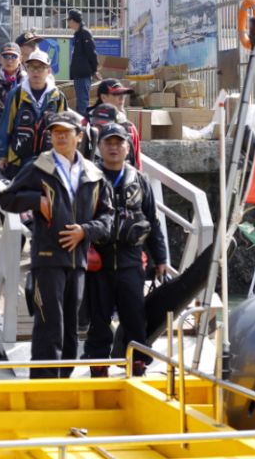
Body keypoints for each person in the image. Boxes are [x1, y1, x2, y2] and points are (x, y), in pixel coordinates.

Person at [0, 111, 114, 379]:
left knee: (72, 326)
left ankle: (65, 379)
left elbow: (108, 218)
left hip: (78, 260)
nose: (60, 136)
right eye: (55, 132)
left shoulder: (94, 173)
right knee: (50, 323)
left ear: (79, 136)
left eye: (66, 132)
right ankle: (45, 381)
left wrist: (85, 231)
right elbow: (7, 198)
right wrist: (36, 200)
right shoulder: (39, 166)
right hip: (47, 258)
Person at [83, 123, 169, 376]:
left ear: (128, 147)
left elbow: (152, 221)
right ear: (99, 147)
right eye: (108, 142)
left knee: (134, 317)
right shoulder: (88, 178)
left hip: (131, 259)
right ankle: (98, 367)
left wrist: (161, 257)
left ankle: (137, 364)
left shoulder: (140, 180)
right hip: (98, 260)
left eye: (118, 142)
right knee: (99, 320)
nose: (113, 147)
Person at [0, 49, 68, 178]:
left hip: (48, 160)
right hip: (18, 159)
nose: (36, 72)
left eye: (41, 68)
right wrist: (2, 155)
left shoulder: (58, 97)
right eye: (32, 67)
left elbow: (64, 130)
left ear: (49, 71)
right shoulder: (16, 94)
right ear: (26, 69)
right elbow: (6, 125)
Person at [87, 79, 141, 168]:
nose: (122, 98)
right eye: (116, 94)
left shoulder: (130, 128)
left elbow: (137, 163)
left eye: (123, 94)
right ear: (103, 97)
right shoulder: (86, 125)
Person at [68, 9, 100, 115]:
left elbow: (92, 53)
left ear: (73, 21)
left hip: (83, 74)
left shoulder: (84, 33)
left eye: (68, 20)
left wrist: (95, 70)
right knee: (81, 102)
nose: (68, 23)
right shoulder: (78, 34)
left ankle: (84, 127)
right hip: (79, 74)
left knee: (82, 103)